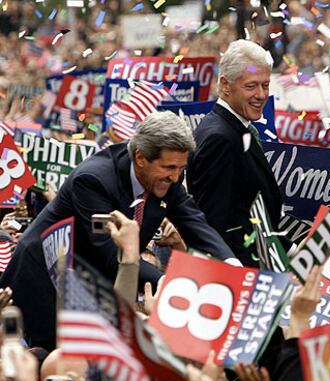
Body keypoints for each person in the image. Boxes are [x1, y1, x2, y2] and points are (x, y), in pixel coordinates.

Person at [0, 110, 239, 351]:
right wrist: (171, 284)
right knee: (59, 364)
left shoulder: (168, 174)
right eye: (169, 168)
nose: (176, 177)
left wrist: (231, 263)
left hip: (90, 282)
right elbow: (112, 256)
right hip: (46, 279)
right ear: (141, 157)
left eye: (180, 168)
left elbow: (193, 220)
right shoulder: (93, 180)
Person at [187, 39, 287, 267]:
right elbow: (215, 225)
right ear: (225, 85)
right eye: (251, 86)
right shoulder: (219, 139)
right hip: (238, 276)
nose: (262, 95)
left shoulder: (233, 127)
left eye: (265, 85)